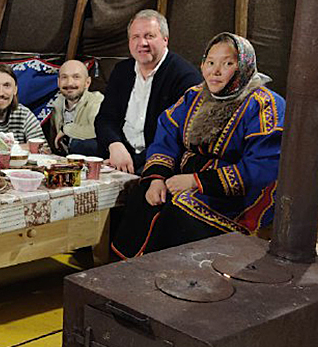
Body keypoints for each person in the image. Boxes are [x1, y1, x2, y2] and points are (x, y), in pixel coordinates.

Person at [111, 32, 284, 259]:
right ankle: (127, 270)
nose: (215, 71)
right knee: (141, 195)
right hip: (184, 177)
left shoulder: (264, 105)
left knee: (181, 211)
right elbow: (166, 137)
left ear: (244, 66)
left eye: (227, 64)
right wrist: (157, 179)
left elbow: (262, 167)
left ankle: (165, 275)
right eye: (210, 63)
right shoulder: (194, 96)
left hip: (236, 195)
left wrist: (196, 182)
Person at [94, 10, 201, 174]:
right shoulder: (122, 70)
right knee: (78, 151)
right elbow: (105, 118)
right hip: (120, 151)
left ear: (165, 40)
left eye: (149, 36)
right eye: (135, 37)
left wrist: (130, 163)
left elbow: (176, 137)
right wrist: (115, 145)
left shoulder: (185, 77)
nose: (142, 43)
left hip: (159, 158)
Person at [50, 59, 104, 156]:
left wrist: (66, 130)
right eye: (64, 77)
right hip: (64, 161)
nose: (69, 83)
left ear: (87, 82)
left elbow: (98, 130)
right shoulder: (56, 104)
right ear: (58, 82)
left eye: (76, 77)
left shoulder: (96, 101)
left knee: (78, 144)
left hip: (92, 159)